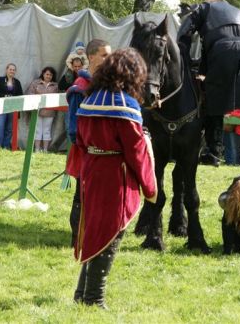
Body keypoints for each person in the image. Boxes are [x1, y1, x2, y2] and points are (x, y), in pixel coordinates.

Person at [72, 48, 157, 309]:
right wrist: (150, 186)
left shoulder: (90, 99)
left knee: (94, 231)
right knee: (110, 233)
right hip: (114, 175)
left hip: (92, 170)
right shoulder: (125, 105)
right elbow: (135, 151)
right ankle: (93, 298)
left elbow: (80, 140)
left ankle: (81, 293)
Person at [177, 0, 240, 179]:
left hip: (221, 50)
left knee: (213, 101)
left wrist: (183, 59)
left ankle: (214, 151)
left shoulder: (204, 8)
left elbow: (184, 32)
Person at [66, 39, 112, 247]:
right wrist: (93, 145)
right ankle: (77, 239)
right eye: (104, 55)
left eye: (109, 55)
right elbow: (73, 130)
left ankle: (97, 236)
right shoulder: (80, 88)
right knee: (82, 198)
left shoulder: (108, 86)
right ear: (91, 57)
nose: (107, 59)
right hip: (85, 153)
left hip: (106, 155)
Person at [0, 63, 23, 148]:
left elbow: (21, 95)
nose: (12, 71)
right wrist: (5, 96)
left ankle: (6, 146)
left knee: (9, 129)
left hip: (13, 108)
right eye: (10, 69)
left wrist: (13, 98)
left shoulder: (17, 82)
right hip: (1, 108)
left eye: (13, 70)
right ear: (6, 70)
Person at [27, 66, 59, 152]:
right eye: (47, 74)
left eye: (50, 75)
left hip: (49, 112)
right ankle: (37, 149)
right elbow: (30, 93)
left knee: (47, 130)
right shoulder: (36, 83)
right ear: (43, 74)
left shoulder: (55, 85)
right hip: (37, 111)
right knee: (37, 130)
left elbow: (56, 98)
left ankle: (45, 149)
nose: (48, 76)